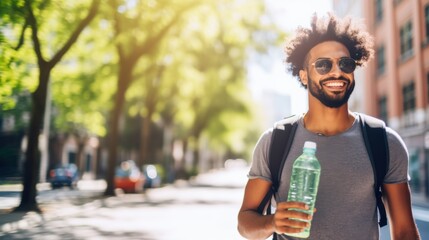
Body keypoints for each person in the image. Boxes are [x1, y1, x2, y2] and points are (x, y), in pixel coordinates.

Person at [237, 13, 421, 240]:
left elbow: (404, 232)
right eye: (323, 65)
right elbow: (245, 223)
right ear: (304, 76)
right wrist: (272, 222)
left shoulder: (384, 141)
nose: (337, 72)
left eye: (345, 63)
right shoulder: (275, 141)